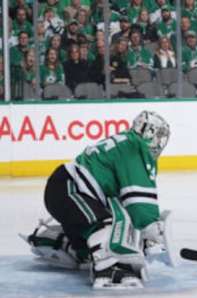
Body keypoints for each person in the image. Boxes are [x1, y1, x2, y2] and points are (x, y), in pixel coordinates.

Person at [23, 111, 173, 289]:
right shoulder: (134, 147)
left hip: (65, 188)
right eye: (159, 136)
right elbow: (140, 205)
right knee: (107, 226)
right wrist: (153, 230)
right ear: (149, 133)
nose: (160, 143)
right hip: (70, 189)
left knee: (110, 223)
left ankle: (68, 245)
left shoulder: (126, 141)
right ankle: (107, 270)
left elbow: (125, 204)